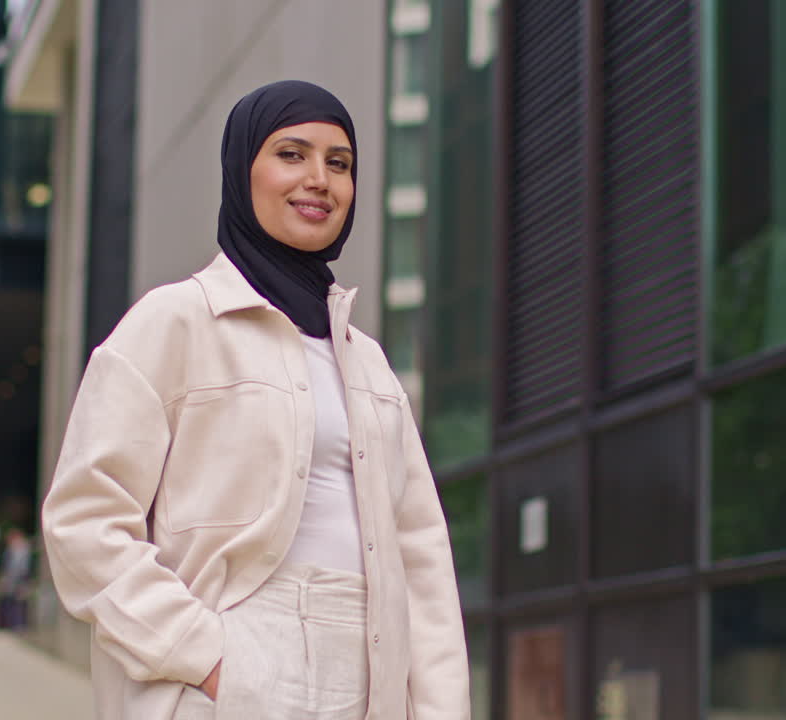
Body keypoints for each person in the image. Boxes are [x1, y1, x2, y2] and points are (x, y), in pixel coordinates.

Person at [42, 80, 469, 719]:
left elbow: (422, 565)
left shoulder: (369, 363)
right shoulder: (175, 321)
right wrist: (208, 658)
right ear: (243, 171)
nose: (319, 179)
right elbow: (84, 522)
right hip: (229, 668)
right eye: (291, 154)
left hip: (368, 673)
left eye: (340, 162)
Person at [0, 528, 34, 630]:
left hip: (22, 579)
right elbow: (6, 567)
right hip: (12, 580)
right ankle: (12, 624)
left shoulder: (25, 550)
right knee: (11, 602)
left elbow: (27, 567)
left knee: (21, 602)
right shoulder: (9, 551)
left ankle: (21, 624)